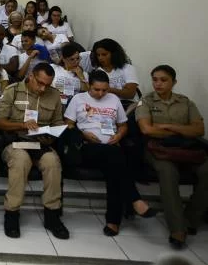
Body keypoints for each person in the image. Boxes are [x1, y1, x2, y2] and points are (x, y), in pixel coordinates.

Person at [65, 70, 154, 236]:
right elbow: (68, 125)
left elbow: (123, 125)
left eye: (104, 90)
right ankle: (134, 201)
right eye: (96, 90)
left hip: (111, 148)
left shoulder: (113, 99)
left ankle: (113, 222)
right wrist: (83, 133)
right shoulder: (78, 99)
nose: (101, 93)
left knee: (115, 169)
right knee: (117, 159)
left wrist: (119, 135)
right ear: (89, 86)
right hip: (86, 147)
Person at [0, 62, 69, 239]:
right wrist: (22, 125)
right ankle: (12, 213)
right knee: (21, 161)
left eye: (47, 85)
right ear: (31, 76)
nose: (43, 88)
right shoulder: (13, 91)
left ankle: (52, 215)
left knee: (52, 163)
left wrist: (52, 135)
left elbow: (58, 122)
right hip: (15, 141)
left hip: (40, 143)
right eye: (40, 83)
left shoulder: (54, 95)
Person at [136, 65, 208, 249]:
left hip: (187, 150)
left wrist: (168, 127)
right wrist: (183, 131)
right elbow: (147, 129)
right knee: (168, 173)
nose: (158, 84)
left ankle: (191, 219)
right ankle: (178, 229)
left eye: (163, 80)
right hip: (159, 150)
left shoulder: (185, 102)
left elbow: (199, 130)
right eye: (155, 80)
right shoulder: (146, 102)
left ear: (174, 82)